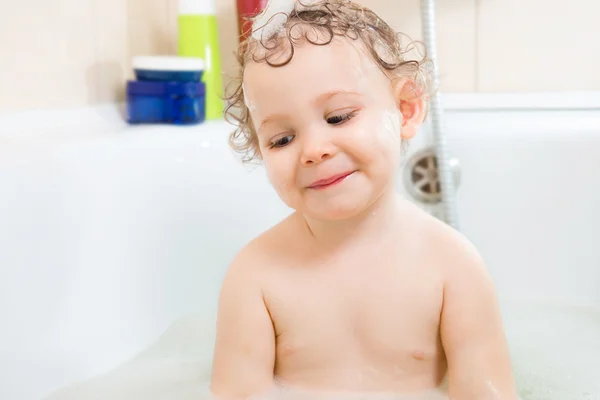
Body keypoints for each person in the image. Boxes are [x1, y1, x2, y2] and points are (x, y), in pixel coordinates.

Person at [210, 1, 518, 399]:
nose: (314, 150)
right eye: (281, 139)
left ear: (406, 109)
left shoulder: (452, 265)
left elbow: (487, 393)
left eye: (338, 117)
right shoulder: (255, 276)